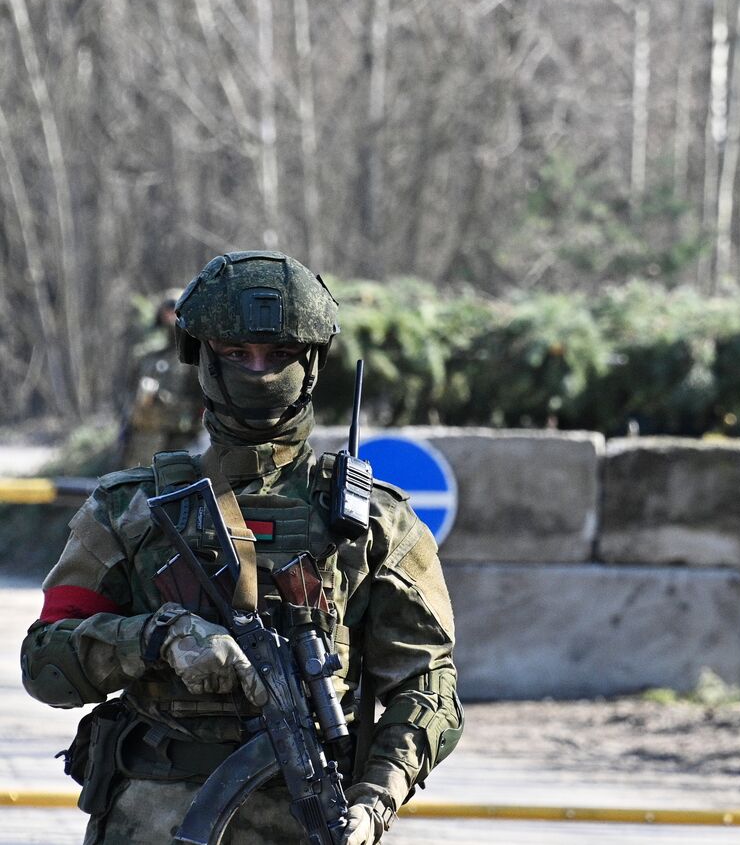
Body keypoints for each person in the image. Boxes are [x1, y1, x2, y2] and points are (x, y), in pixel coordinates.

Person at [20, 251, 462, 844]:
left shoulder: (375, 520)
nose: (259, 371)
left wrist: (377, 796)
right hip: (152, 818)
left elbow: (427, 685)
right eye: (236, 353)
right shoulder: (129, 508)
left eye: (279, 355)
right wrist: (157, 639)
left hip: (312, 816)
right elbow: (46, 664)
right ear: (202, 358)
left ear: (311, 364)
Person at [117, 292, 205, 469]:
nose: (170, 314)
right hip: (142, 444)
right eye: (167, 308)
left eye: (175, 308)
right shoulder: (147, 357)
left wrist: (164, 400)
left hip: (180, 444)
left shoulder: (198, 357)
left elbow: (205, 405)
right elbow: (127, 398)